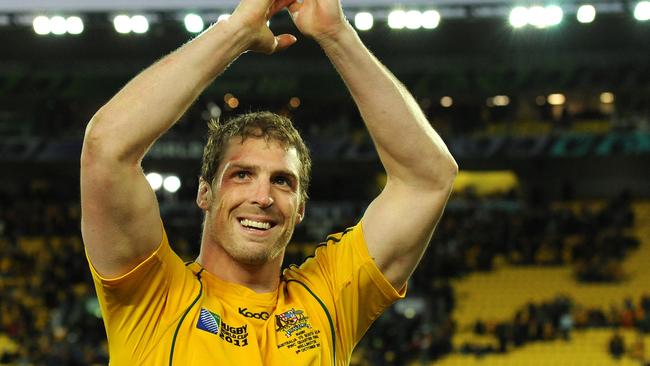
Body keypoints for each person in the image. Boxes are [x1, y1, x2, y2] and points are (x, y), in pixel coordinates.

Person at [79, 0, 458, 363]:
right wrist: (236, 31)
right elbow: (106, 147)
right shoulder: (153, 296)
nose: (263, 197)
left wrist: (336, 33)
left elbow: (427, 178)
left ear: (301, 209)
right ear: (204, 192)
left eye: (282, 181)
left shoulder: (327, 299)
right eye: (242, 175)